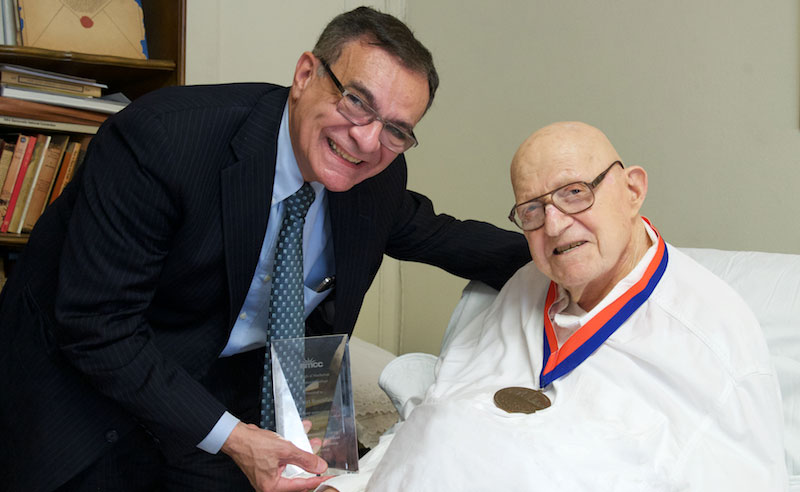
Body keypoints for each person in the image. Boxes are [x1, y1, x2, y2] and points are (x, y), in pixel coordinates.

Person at [0, 7, 530, 492]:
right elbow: (97, 326)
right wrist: (235, 439)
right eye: (357, 102)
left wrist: (586, 245)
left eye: (396, 130)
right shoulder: (163, 139)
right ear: (305, 76)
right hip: (86, 383)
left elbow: (450, 238)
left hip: (223, 383)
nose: (368, 141)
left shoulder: (376, 181)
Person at [320, 121, 788, 491]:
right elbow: (435, 411)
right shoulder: (524, 287)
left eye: (575, 192)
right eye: (532, 210)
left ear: (633, 190)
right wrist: (350, 484)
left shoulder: (712, 338)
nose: (557, 225)